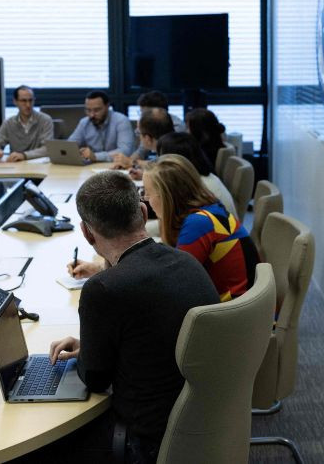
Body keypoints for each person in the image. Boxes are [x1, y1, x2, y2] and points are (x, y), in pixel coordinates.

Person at [46, 170, 218, 462]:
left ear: (87, 232)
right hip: (205, 422)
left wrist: (88, 349)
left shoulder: (103, 289)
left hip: (145, 441)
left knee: (45, 445)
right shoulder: (186, 262)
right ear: (141, 211)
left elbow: (96, 379)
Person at [71, 155, 257, 302]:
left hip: (230, 321)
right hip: (239, 314)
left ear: (167, 196)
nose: (146, 200)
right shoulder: (208, 211)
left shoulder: (197, 226)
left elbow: (167, 286)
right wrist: (99, 269)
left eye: (147, 193)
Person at [155, 131, 235, 217]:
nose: (158, 162)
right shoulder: (201, 177)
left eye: (161, 157)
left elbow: (176, 221)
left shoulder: (197, 187)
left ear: (177, 161)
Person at [0, 85, 55, 162]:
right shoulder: (9, 123)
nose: (28, 105)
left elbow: (47, 149)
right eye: (24, 101)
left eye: (30, 100)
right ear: (15, 102)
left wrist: (24, 155)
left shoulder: (45, 120)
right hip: (16, 167)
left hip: (39, 167)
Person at [67, 90, 134, 163]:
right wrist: (79, 152)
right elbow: (70, 145)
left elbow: (125, 151)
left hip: (117, 167)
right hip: (93, 167)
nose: (92, 115)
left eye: (96, 110)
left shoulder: (121, 121)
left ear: (107, 106)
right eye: (88, 110)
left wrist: (96, 156)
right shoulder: (84, 122)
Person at [115, 111, 176, 179]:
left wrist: (132, 162)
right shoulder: (171, 146)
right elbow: (159, 170)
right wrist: (143, 174)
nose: (138, 136)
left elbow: (164, 174)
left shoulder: (171, 155)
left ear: (148, 139)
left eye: (138, 132)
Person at [184, 108, 229, 174]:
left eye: (188, 128)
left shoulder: (203, 156)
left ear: (198, 132)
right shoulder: (216, 144)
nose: (186, 131)